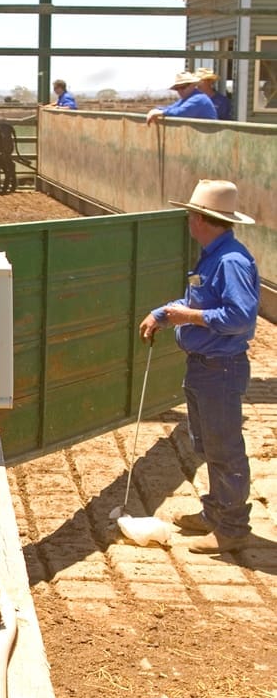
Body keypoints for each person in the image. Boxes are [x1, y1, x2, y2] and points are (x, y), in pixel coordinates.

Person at [139, 179, 259, 554]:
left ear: (202, 219)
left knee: (223, 448)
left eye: (191, 215)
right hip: (209, 368)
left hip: (219, 368)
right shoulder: (216, 256)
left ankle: (232, 528)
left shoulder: (230, 261)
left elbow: (240, 316)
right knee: (210, 445)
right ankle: (217, 514)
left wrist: (189, 316)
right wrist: (163, 313)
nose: (188, 221)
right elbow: (201, 299)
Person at [146, 71, 217, 125]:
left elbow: (181, 112)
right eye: (177, 88)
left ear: (192, 85)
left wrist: (161, 112)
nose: (180, 91)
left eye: (183, 87)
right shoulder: (186, 99)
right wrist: (157, 109)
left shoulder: (198, 98)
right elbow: (172, 107)